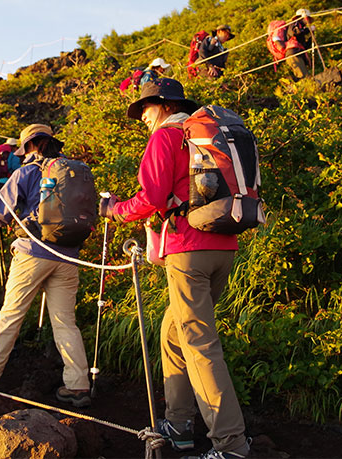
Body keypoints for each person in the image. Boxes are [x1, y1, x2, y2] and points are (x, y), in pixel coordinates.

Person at [99, 78, 249, 459]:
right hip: (224, 246)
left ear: (164, 105)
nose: (143, 116)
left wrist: (114, 210)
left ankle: (231, 446)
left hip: (188, 251)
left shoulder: (166, 137)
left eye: (146, 108)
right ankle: (179, 423)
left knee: (199, 344)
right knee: (172, 333)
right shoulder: (204, 134)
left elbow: (150, 198)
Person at [0, 124, 92, 408]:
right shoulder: (73, 169)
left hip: (33, 253)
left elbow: (1, 214)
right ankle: (78, 385)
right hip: (68, 256)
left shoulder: (26, 172)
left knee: (11, 315)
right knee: (65, 322)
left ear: (29, 146)